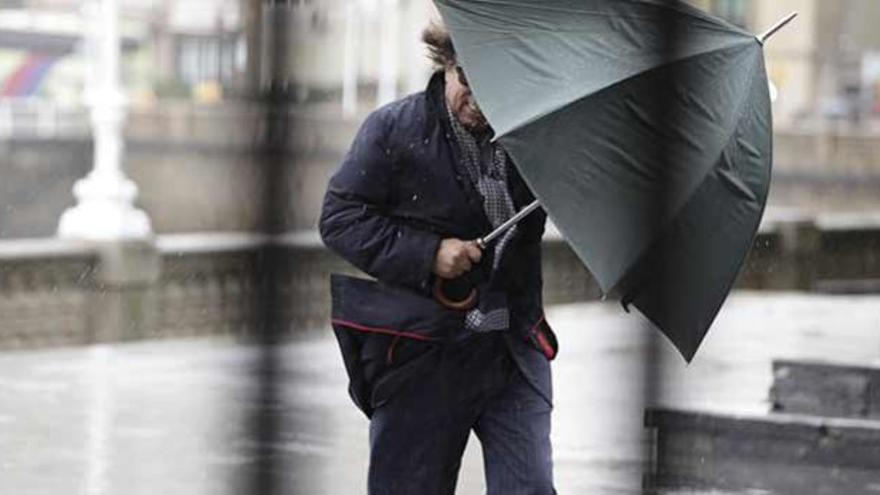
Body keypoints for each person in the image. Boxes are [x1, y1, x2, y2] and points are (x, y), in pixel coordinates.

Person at [319, 22, 558, 495]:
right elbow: (339, 218)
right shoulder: (394, 128)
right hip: (424, 355)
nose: (480, 99)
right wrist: (429, 254)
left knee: (529, 487)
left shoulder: (539, 140)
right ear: (447, 62)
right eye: (470, 78)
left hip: (511, 353)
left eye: (499, 85)